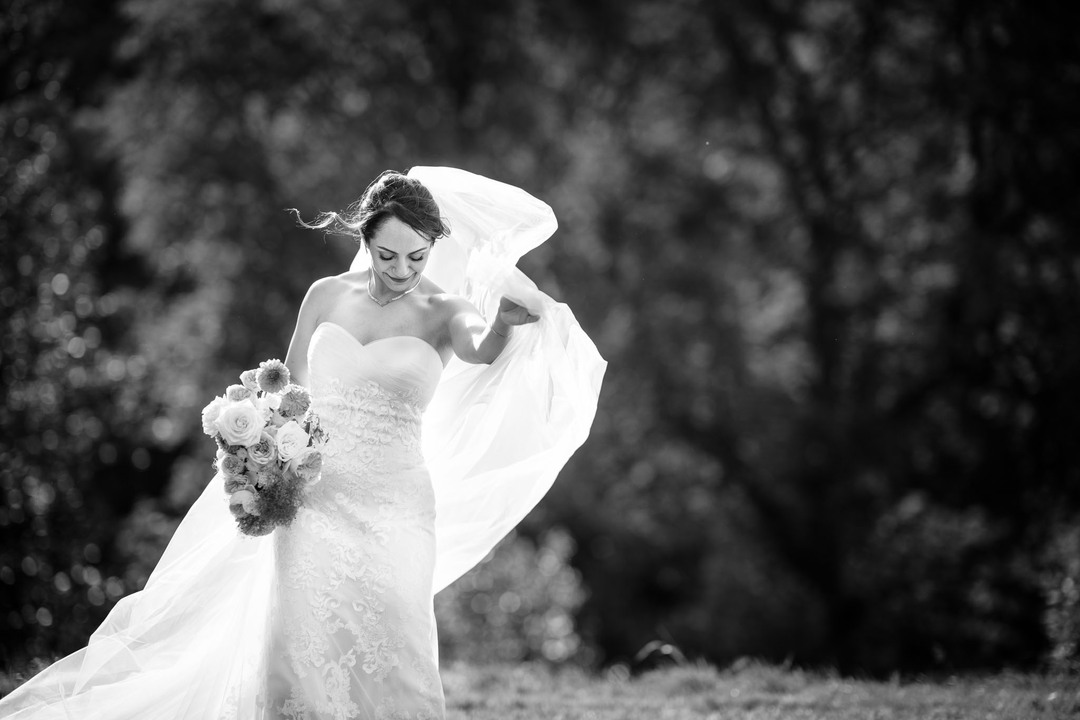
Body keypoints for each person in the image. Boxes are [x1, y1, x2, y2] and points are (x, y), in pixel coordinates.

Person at [0, 167, 605, 719]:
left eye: (417, 257)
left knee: (396, 635)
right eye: (388, 253)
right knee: (296, 637)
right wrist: (256, 452)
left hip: (396, 503)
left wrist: (503, 320)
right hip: (312, 493)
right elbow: (288, 389)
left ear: (434, 248)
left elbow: (483, 346)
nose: (401, 269)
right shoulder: (324, 295)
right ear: (364, 239)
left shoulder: (447, 310)